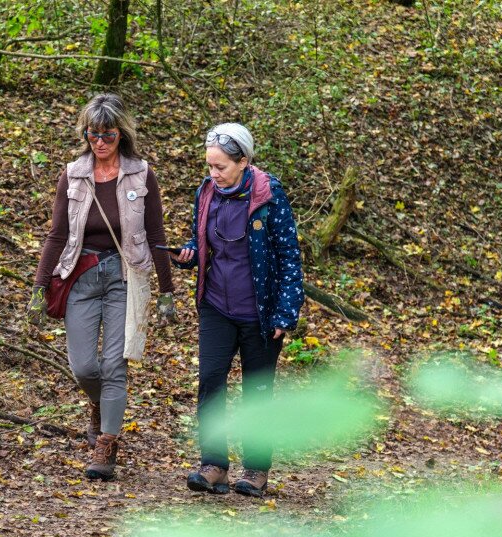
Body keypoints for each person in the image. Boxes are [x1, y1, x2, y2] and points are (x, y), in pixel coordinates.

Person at [27, 92, 177, 481]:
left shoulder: (141, 174)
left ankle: (106, 444)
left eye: (107, 134)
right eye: (93, 134)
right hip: (80, 276)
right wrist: (39, 286)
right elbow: (57, 234)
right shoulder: (72, 175)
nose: (99, 142)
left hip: (123, 278)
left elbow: (155, 233)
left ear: (121, 134)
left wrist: (166, 291)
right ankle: (99, 404)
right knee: (84, 366)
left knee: (114, 365)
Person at [169, 122, 304, 498]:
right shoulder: (207, 193)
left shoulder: (269, 195)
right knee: (211, 381)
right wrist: (188, 254)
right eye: (209, 167)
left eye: (221, 167)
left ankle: (256, 469)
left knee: (256, 392)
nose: (213, 174)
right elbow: (199, 240)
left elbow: (289, 255)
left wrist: (285, 311)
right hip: (216, 305)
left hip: (260, 312)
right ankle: (213, 465)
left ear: (243, 161)